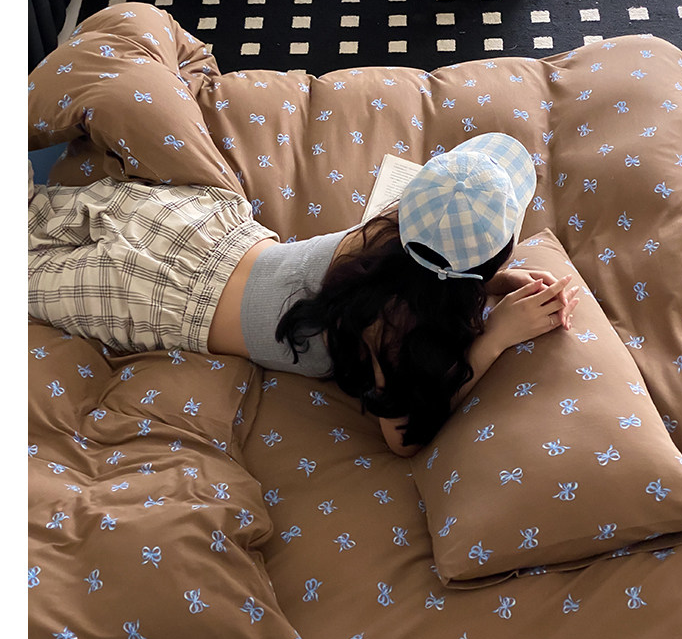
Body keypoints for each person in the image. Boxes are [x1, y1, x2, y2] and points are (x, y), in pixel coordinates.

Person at [28, 133, 579, 457]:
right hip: (157, 299)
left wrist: (491, 286)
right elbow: (402, 440)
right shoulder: (390, 331)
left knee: (37, 209)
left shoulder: (384, 232)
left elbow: (425, 275)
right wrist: (494, 338)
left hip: (197, 231)